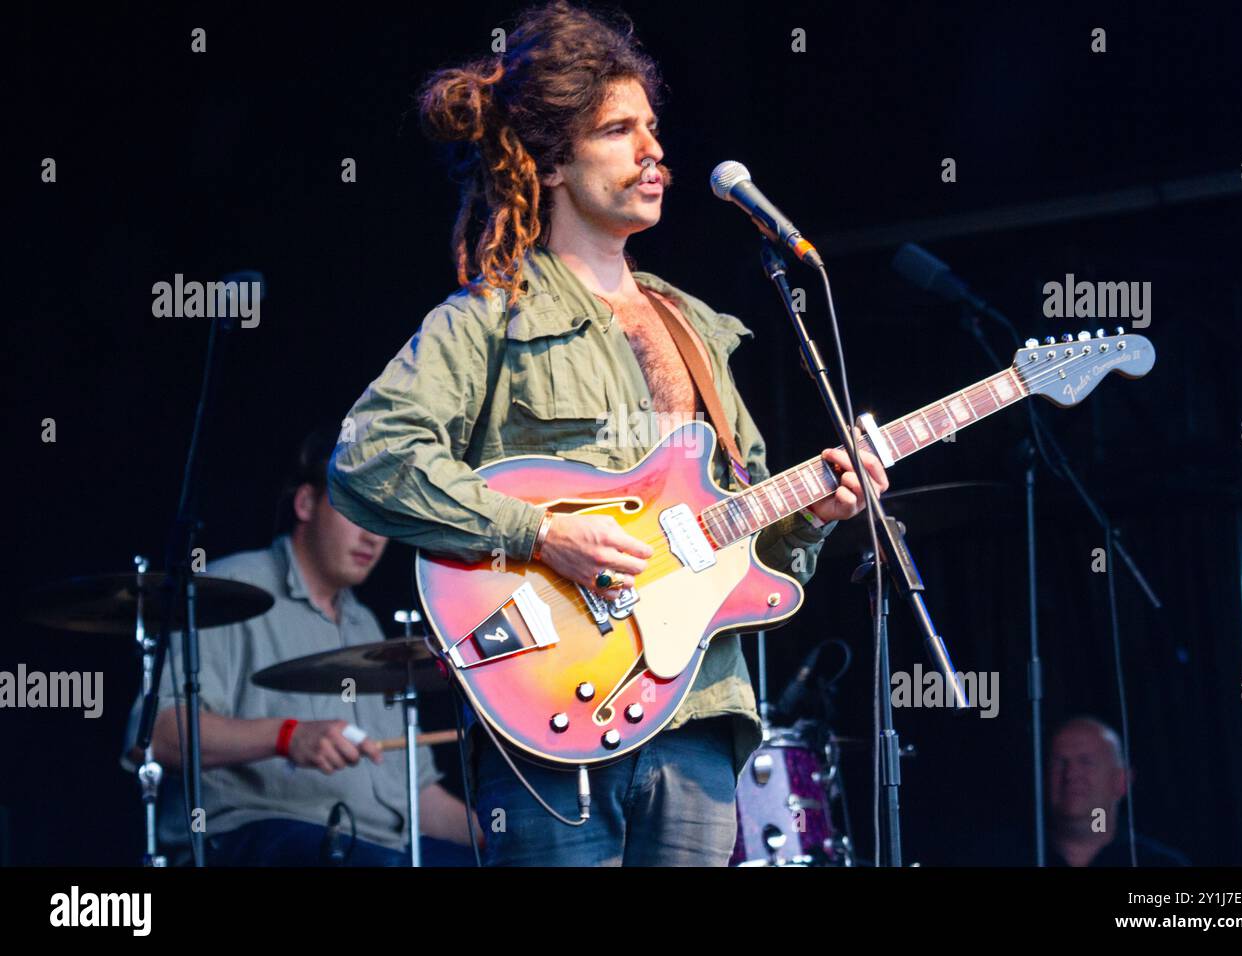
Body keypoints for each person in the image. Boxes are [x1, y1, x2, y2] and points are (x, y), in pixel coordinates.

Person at [328, 0, 887, 866]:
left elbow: (750, 543)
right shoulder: (491, 318)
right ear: (552, 161)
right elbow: (370, 456)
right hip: (551, 713)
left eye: (653, 129)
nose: (653, 150)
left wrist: (814, 514)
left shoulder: (697, 329)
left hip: (700, 715)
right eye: (620, 130)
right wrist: (541, 532)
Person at [152, 427, 480, 866]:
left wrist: (503, 840)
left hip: (378, 847)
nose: (373, 536)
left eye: (382, 519)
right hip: (256, 835)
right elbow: (160, 737)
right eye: (356, 511)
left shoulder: (367, 628)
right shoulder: (230, 590)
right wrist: (286, 736)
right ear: (306, 503)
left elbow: (420, 797)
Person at [1045, 715, 1187, 867]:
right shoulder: (1026, 857)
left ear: (1121, 781)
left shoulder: (1160, 864)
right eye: (1059, 762)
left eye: (1086, 762)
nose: (1070, 774)